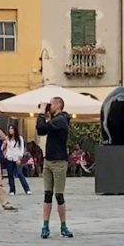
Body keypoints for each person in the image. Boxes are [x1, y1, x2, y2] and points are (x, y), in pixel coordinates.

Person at [36, 97, 74, 238]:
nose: (49, 106)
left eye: (51, 104)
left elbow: (41, 127)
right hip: (49, 161)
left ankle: (63, 226)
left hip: (59, 162)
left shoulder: (61, 120)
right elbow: (41, 131)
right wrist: (44, 115)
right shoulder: (54, 120)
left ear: (58, 105)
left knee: (59, 195)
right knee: (47, 195)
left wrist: (41, 113)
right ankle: (45, 226)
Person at [0, 124, 30, 200]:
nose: (10, 130)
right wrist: (4, 146)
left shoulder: (20, 138)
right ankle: (12, 190)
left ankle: (27, 189)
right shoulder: (7, 139)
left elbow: (22, 149)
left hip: (17, 158)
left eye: (12, 129)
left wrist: (20, 158)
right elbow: (2, 148)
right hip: (10, 158)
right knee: (10, 175)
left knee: (20, 173)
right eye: (9, 129)